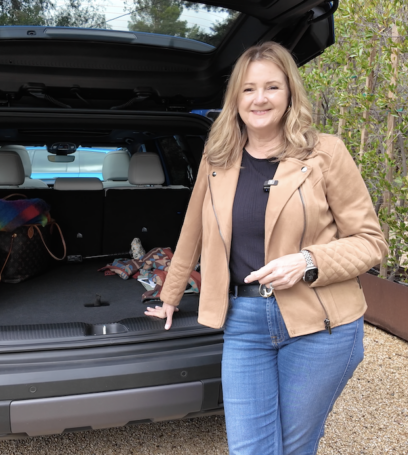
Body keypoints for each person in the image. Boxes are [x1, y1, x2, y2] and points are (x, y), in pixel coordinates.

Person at [145, 42, 388, 454]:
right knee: (251, 449)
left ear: (290, 92)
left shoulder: (326, 153)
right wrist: (171, 294)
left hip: (320, 325)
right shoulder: (217, 155)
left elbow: (371, 242)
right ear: (235, 98)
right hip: (244, 322)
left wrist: (308, 261)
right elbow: (193, 230)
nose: (259, 99)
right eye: (248, 89)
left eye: (272, 87)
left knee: (294, 447)